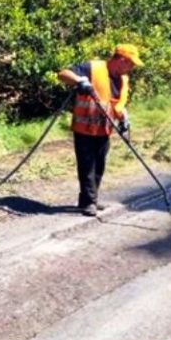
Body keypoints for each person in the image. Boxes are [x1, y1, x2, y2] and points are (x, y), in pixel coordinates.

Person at [57, 44, 143, 216]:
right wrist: (80, 81)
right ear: (121, 60)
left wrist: (124, 119)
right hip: (84, 127)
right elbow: (62, 74)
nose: (132, 68)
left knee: (99, 166)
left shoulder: (122, 79)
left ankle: (89, 199)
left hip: (104, 129)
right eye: (130, 64)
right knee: (87, 165)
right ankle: (89, 203)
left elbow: (116, 104)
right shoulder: (93, 68)